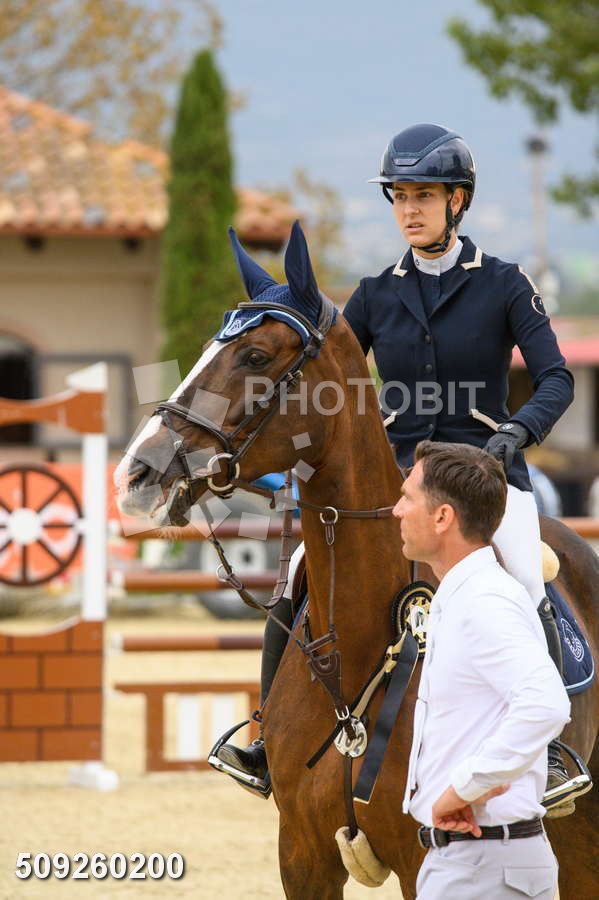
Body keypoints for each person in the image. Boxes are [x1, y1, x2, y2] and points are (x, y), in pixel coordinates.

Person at [217, 122, 577, 812]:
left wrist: (514, 433)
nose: (409, 209)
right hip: (396, 480)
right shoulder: (376, 293)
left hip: (486, 477)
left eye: (424, 196)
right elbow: (328, 376)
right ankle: (267, 736)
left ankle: (551, 748)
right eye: (400, 196)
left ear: (456, 201)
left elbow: (555, 378)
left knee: (526, 575)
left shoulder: (504, 283)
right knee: (298, 576)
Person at [396, 440, 570, 899]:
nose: (396, 510)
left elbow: (546, 704)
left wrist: (467, 786)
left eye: (408, 497)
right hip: (477, 861)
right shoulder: (466, 594)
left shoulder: (484, 601)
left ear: (442, 517)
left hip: (482, 867)